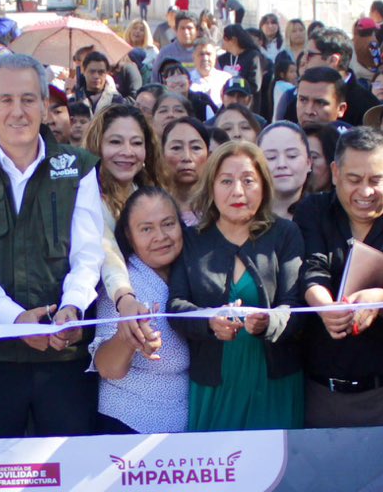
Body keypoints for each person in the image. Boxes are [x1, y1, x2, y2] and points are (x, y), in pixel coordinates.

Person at [0, 53, 108, 438]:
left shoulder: (77, 167)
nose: (18, 111)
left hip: (63, 355)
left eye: (29, 99)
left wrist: (73, 306)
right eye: (7, 100)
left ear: (46, 106)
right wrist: (13, 320)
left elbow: (87, 252)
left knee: (68, 472)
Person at [293, 127, 383, 427]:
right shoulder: (313, 211)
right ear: (334, 172)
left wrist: (382, 300)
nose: (365, 192)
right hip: (318, 389)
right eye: (354, 180)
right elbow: (311, 266)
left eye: (376, 180)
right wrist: (322, 305)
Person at [168, 141, 305, 432]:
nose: (238, 192)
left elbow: (295, 304)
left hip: (273, 384)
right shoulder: (192, 239)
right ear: (211, 186)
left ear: (264, 186)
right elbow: (176, 305)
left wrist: (270, 322)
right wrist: (209, 321)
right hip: (214, 385)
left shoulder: (285, 234)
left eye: (248, 181)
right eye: (226, 181)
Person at [92, 188, 190, 435]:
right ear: (129, 234)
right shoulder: (123, 285)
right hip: (127, 424)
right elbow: (108, 368)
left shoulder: (190, 269)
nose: (161, 236)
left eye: (168, 224)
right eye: (146, 229)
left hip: (185, 426)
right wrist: (129, 339)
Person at [258, 120, 312, 219]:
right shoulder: (245, 215)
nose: (281, 164)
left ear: (309, 163)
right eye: (271, 157)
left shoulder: (323, 214)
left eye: (292, 156)